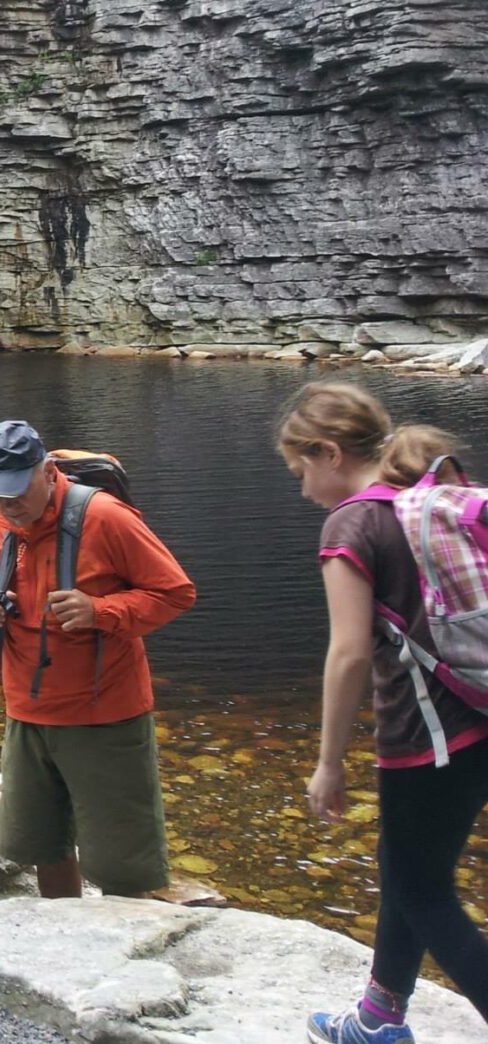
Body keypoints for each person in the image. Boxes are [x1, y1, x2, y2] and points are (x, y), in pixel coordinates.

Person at [279, 382, 488, 1040]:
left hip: (427, 736)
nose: (303, 486)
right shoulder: (419, 498)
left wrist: (328, 762)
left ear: (329, 453)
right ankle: (377, 1019)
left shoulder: (353, 523)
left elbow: (346, 655)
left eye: (300, 470)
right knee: (409, 867)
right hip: (476, 715)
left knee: (422, 889)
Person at [0, 419, 195, 900]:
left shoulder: (107, 518)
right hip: (26, 711)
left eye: (14, 491)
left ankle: (126, 956)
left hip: (105, 713)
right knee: (41, 844)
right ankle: (66, 936)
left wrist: (101, 610)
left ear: (48, 472)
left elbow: (175, 593)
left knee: (121, 864)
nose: (7, 506)